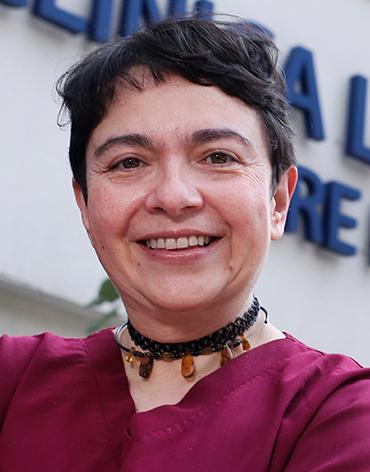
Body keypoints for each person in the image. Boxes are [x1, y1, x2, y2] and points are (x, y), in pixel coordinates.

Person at [1, 16, 370, 472]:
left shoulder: (338, 415)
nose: (174, 197)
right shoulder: (12, 383)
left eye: (218, 157)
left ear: (278, 201)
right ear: (86, 205)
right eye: (129, 162)